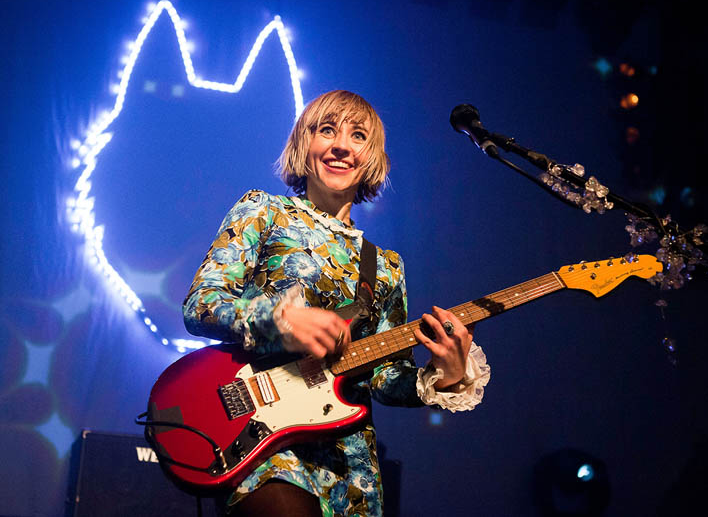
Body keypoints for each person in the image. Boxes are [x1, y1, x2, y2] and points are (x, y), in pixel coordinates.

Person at [183, 90, 491, 516]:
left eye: (358, 136)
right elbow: (202, 302)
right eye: (326, 130)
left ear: (373, 158)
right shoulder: (264, 212)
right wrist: (280, 320)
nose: (341, 145)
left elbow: (384, 377)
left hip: (347, 463)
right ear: (304, 146)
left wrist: (445, 376)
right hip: (262, 442)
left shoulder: (385, 267)